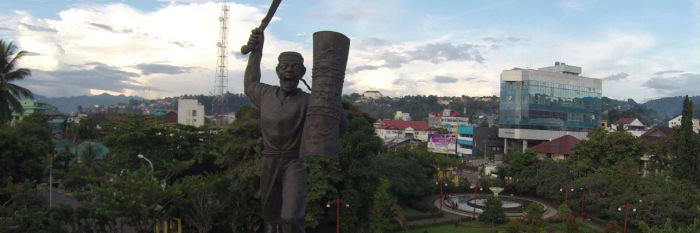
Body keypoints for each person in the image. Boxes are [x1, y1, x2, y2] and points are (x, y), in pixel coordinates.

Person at [244, 28, 308, 233]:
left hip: (294, 161)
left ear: (302, 73)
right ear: (278, 70)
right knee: (271, 215)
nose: (289, 70)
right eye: (285, 66)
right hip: (269, 160)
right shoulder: (265, 94)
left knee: (291, 216)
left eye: (295, 67)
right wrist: (257, 51)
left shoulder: (309, 101)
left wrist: (331, 104)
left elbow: (335, 125)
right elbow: (250, 82)